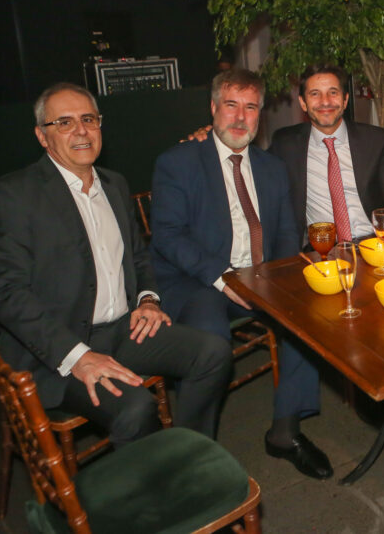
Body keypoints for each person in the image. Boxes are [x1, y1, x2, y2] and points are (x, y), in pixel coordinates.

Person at [0, 83, 233, 447]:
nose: (81, 131)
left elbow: (139, 257)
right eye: (64, 122)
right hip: (57, 349)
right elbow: (5, 294)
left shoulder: (114, 185)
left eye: (88, 119)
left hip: (121, 330)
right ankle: (150, 483)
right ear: (41, 136)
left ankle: (189, 453)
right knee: (136, 407)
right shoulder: (14, 195)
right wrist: (78, 356)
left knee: (213, 352)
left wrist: (148, 299)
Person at [149, 68, 333, 480]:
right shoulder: (179, 162)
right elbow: (168, 236)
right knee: (210, 337)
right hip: (200, 280)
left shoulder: (271, 167)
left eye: (250, 108)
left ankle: (285, 431)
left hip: (258, 278)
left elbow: (286, 232)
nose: (239, 117)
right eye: (231, 105)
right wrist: (224, 277)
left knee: (308, 314)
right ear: (213, 108)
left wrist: (282, 282)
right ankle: (195, 456)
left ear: (260, 116)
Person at [268, 64, 384, 243]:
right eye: (315, 94)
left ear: (345, 100)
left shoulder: (374, 140)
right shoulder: (286, 144)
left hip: (371, 242)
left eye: (333, 92)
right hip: (320, 249)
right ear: (303, 103)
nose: (325, 101)